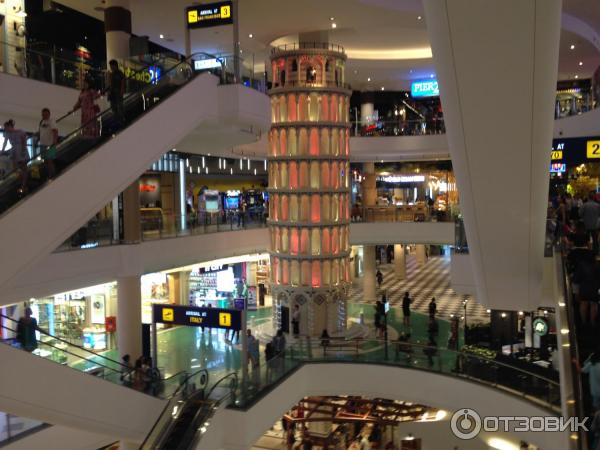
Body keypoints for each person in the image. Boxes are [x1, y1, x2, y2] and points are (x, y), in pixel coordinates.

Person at [2, 120, 29, 193]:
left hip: (20, 150)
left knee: (23, 168)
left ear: (10, 126)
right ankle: (21, 184)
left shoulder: (20, 131)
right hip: (15, 150)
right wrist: (2, 151)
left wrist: (23, 151)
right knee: (17, 168)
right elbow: (5, 143)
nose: (5, 129)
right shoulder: (8, 133)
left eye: (6, 127)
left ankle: (23, 185)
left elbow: (24, 142)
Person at [37, 108, 58, 179]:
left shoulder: (51, 121)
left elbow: (55, 131)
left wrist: (55, 141)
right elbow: (40, 132)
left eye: (46, 114)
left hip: (50, 144)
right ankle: (48, 174)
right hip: (42, 144)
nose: (44, 115)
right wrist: (38, 140)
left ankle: (53, 175)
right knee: (45, 161)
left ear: (49, 114)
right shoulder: (41, 122)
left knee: (49, 160)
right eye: (43, 114)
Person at [106, 59, 126, 129]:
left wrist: (122, 91)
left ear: (115, 65)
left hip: (117, 92)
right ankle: (117, 119)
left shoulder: (119, 73)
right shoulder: (112, 74)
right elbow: (110, 84)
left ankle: (121, 120)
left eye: (111, 66)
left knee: (119, 106)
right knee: (113, 106)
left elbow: (123, 82)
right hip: (113, 93)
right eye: (110, 66)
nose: (111, 67)